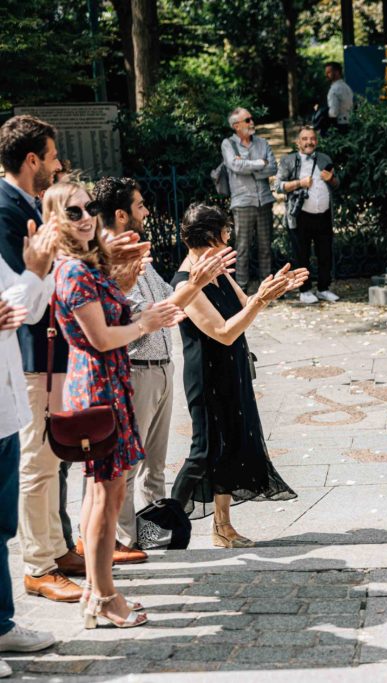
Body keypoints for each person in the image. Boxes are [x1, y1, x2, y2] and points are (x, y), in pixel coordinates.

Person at [48, 181, 184, 629]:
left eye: (88, 208)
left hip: (111, 383)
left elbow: (113, 316)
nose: (86, 216)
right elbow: (102, 337)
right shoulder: (71, 272)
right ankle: (105, 595)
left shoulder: (87, 266)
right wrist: (145, 321)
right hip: (97, 387)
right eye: (73, 212)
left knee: (102, 491)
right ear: (55, 220)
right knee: (107, 492)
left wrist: (122, 282)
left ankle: (95, 589)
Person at [91, 177, 235, 552]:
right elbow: (149, 313)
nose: (146, 211)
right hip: (136, 369)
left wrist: (193, 287)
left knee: (154, 466)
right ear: (121, 214)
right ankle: (123, 540)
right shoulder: (112, 260)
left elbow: (168, 303)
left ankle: (152, 531)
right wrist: (196, 282)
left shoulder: (141, 254)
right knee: (126, 466)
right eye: (140, 205)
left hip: (162, 366)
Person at [170, 204, 303, 547]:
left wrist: (267, 293)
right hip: (208, 375)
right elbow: (224, 331)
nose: (230, 236)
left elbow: (245, 306)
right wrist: (259, 301)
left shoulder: (218, 270)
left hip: (232, 367)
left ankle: (222, 527)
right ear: (212, 235)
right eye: (226, 230)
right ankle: (164, 521)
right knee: (204, 451)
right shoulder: (187, 282)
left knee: (228, 447)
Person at [0, 115, 85, 603]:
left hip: (53, 346)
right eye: (52, 157)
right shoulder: (7, 207)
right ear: (31, 159)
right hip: (29, 349)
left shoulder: (31, 203)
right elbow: (20, 292)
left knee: (52, 455)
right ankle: (36, 564)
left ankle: (54, 546)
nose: (57, 166)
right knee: (36, 459)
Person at [0, 216, 60, 672]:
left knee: (1, 528)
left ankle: (3, 626)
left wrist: (37, 271)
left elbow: (26, 310)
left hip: (5, 407)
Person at [275, 126, 342, 305]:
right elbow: (278, 186)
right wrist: (300, 183)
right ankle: (304, 290)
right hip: (301, 216)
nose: (309, 142)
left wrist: (331, 179)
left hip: (324, 215)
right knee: (301, 254)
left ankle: (323, 288)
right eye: (304, 139)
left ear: (316, 141)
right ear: (298, 142)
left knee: (325, 253)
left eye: (312, 139)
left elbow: (336, 184)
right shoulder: (289, 161)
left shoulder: (325, 159)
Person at [222, 107, 277, 294]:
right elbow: (235, 166)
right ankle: (241, 290)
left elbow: (273, 168)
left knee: (265, 247)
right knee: (242, 248)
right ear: (236, 125)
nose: (252, 122)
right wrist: (260, 163)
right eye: (248, 120)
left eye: (252, 119)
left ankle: (267, 288)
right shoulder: (228, 144)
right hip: (242, 202)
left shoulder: (262, 143)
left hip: (264, 201)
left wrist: (248, 166)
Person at [324, 61, 354, 134]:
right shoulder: (347, 87)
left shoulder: (334, 90)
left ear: (337, 72)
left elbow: (334, 113)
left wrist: (323, 114)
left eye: (329, 72)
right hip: (350, 123)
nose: (326, 75)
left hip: (339, 126)